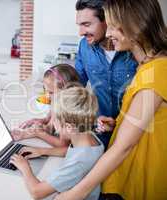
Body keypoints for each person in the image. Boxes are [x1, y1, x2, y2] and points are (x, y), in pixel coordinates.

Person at [55, 0, 167, 199]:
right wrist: (119, 123)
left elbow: (124, 146)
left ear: (134, 25)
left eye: (113, 25)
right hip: (124, 169)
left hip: (140, 177)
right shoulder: (147, 66)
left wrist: (73, 194)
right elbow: (149, 120)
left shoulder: (156, 70)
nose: (108, 33)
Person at [10, 86, 104, 200]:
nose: (52, 123)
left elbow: (37, 192)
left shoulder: (78, 162)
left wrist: (25, 167)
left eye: (55, 120)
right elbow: (73, 151)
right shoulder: (89, 137)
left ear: (69, 127)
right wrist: (43, 151)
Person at [74, 0, 137, 148]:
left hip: (131, 137)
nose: (81, 32)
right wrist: (51, 116)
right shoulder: (84, 46)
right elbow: (75, 86)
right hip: (99, 133)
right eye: (80, 25)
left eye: (87, 24)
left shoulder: (135, 50)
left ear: (107, 21)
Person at [12, 64, 81, 148]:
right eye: (45, 90)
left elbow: (63, 144)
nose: (47, 96)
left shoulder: (68, 112)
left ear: (68, 91)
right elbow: (50, 127)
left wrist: (39, 133)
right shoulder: (56, 101)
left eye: (51, 92)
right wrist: (38, 124)